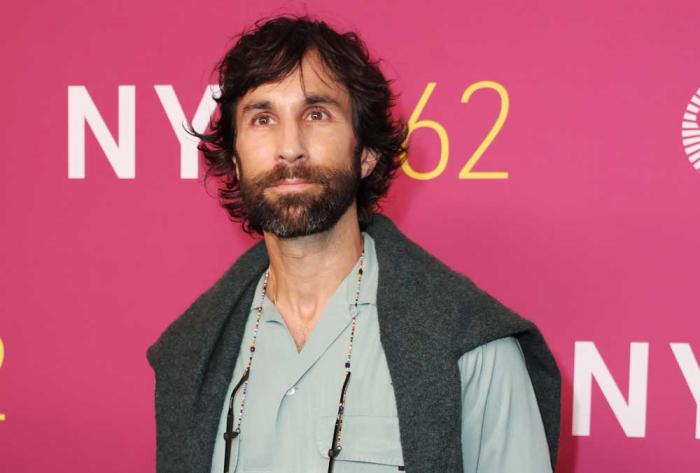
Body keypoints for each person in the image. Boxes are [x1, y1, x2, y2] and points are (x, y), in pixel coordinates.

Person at [146, 15, 561, 473]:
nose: (289, 147)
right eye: (263, 118)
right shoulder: (192, 355)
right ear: (237, 161)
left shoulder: (472, 348)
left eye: (316, 114)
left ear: (365, 154)